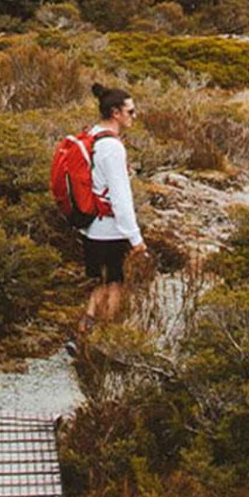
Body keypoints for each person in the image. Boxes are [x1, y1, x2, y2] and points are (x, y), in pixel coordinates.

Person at [75, 82, 145, 343]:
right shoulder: (113, 148)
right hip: (110, 229)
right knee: (115, 283)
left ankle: (85, 328)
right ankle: (105, 337)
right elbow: (121, 198)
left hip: (90, 225)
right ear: (116, 113)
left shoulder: (93, 134)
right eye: (131, 111)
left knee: (101, 281)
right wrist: (136, 239)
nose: (134, 116)